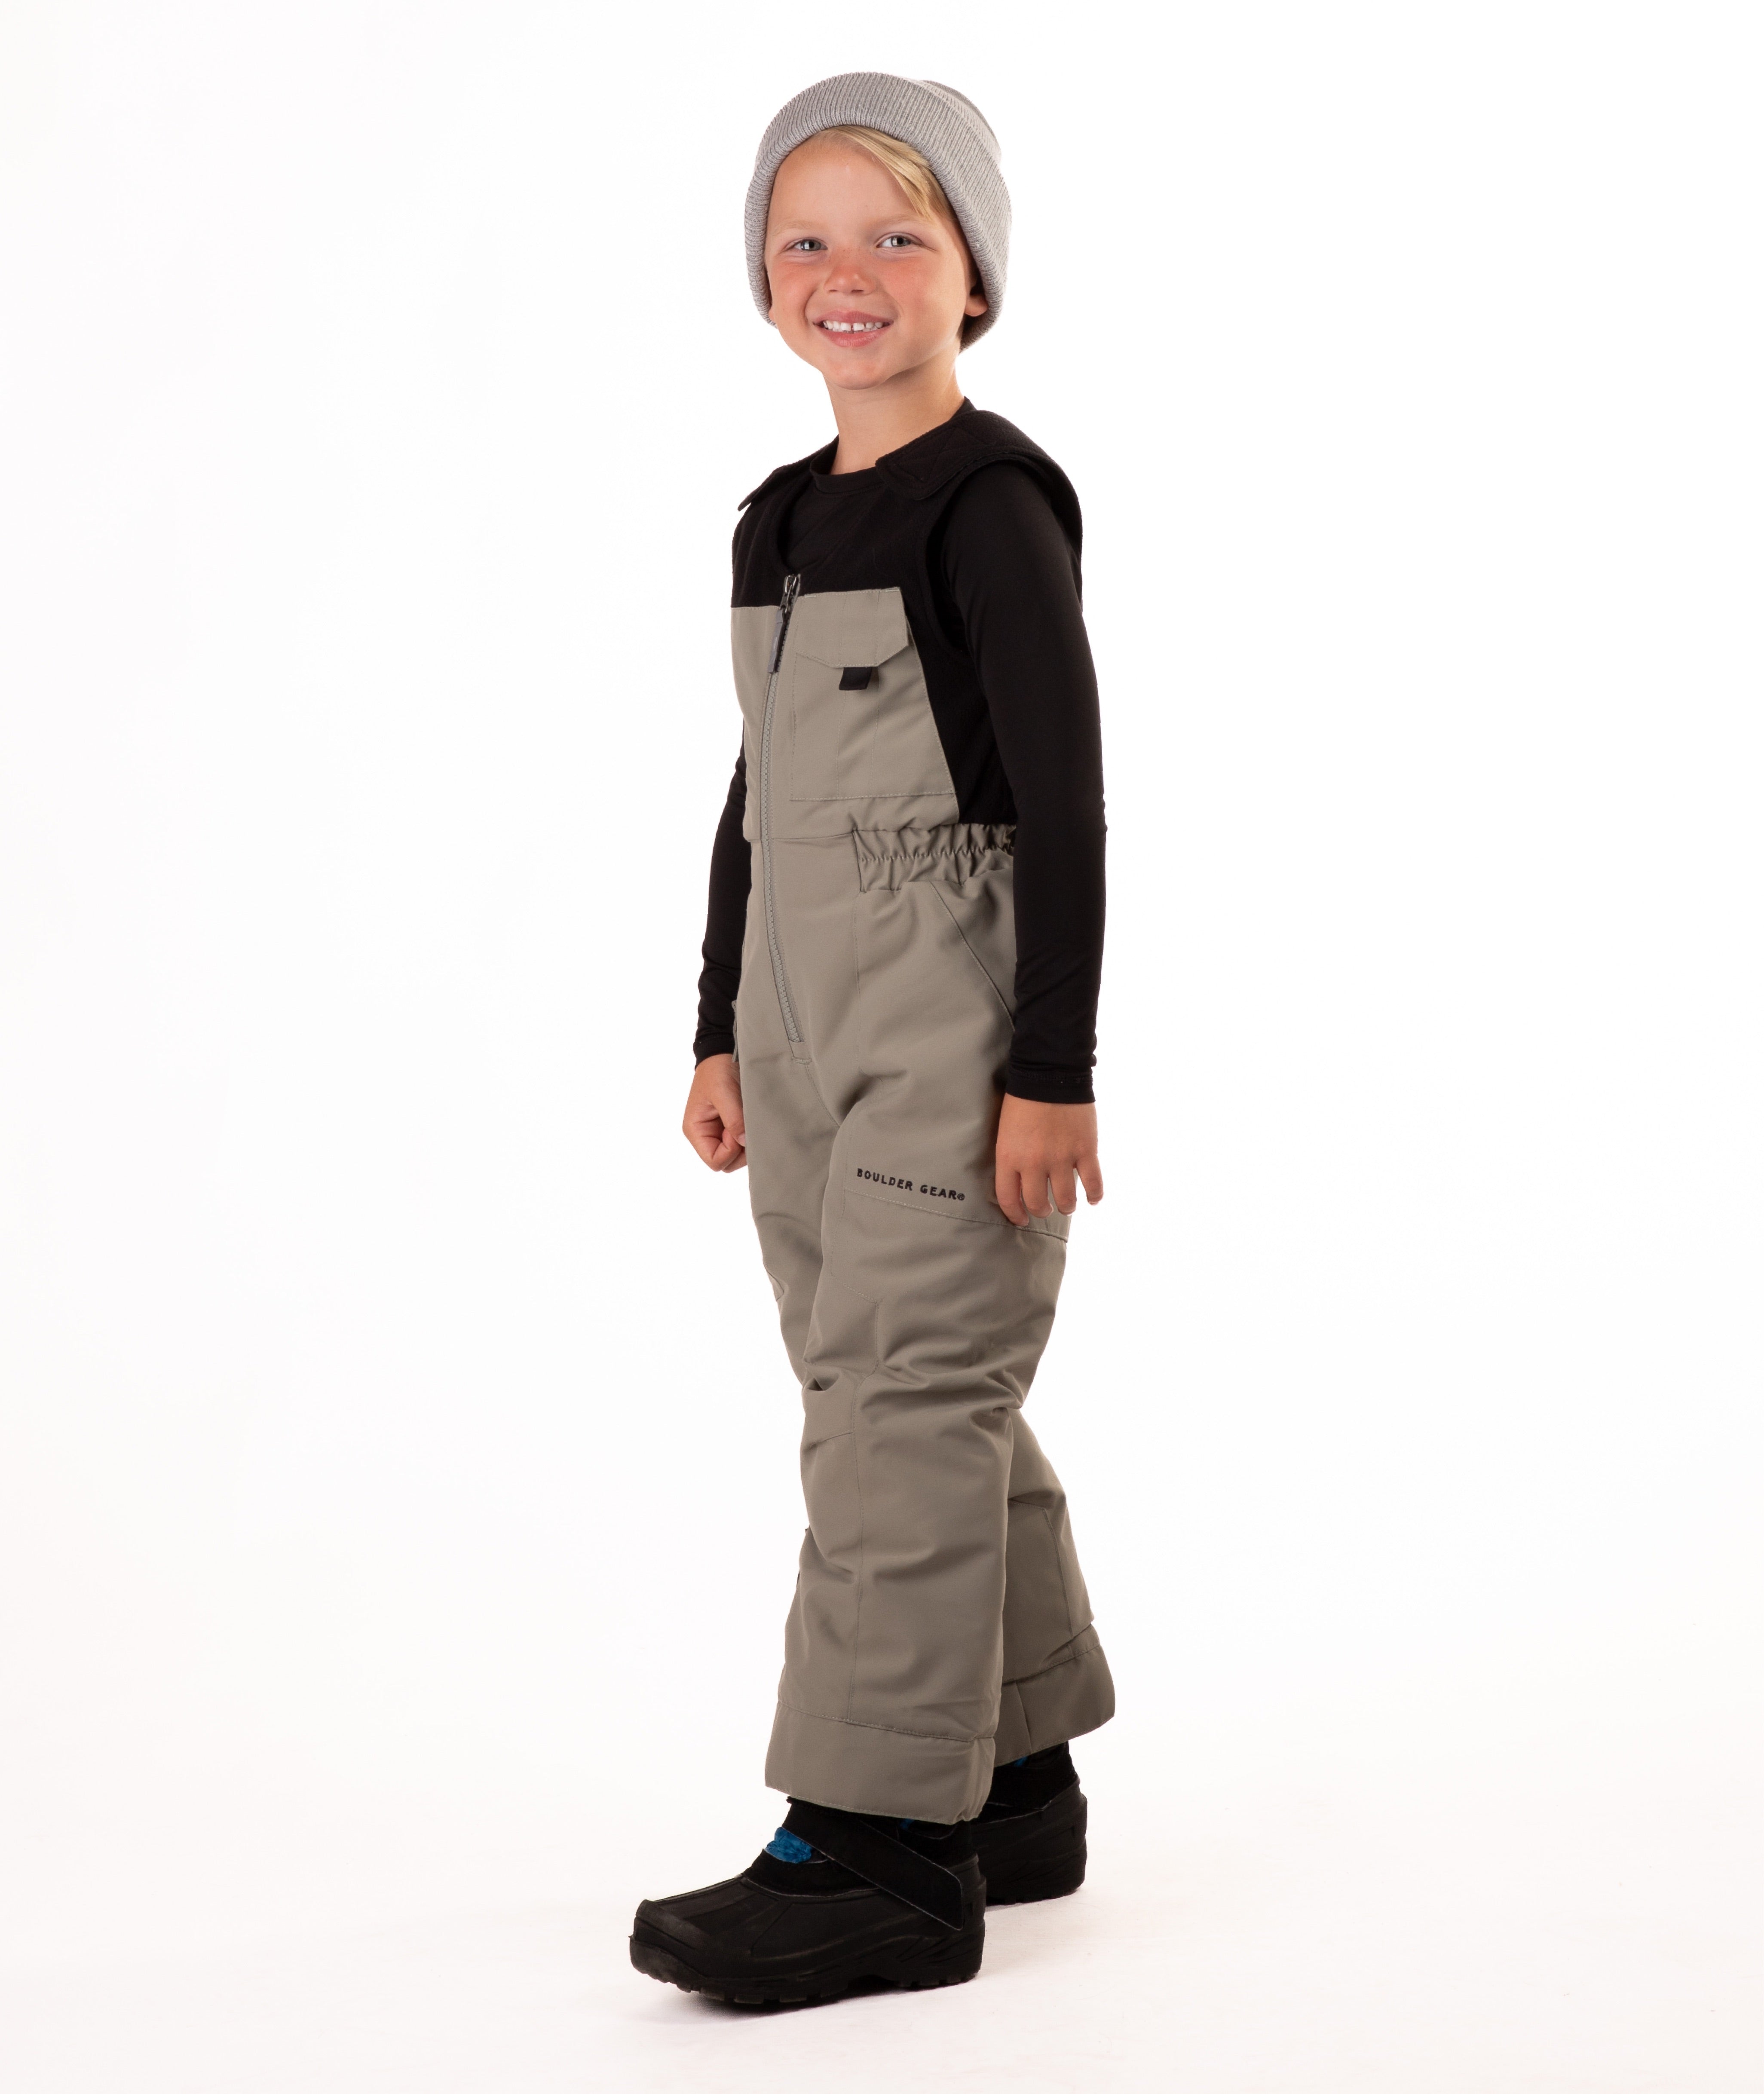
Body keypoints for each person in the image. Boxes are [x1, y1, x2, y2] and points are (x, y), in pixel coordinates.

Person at [629, 73, 1115, 2005]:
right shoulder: (775, 518)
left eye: (897, 236)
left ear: (973, 278)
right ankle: (1009, 1766)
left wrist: (1054, 1065)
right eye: (805, 237)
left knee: (904, 1397)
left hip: (951, 1002)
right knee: (885, 1378)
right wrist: (718, 1026)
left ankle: (879, 1851)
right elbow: (757, 795)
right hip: (796, 1014)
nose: (849, 273)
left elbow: (1066, 802)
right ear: (763, 278)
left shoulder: (991, 505)